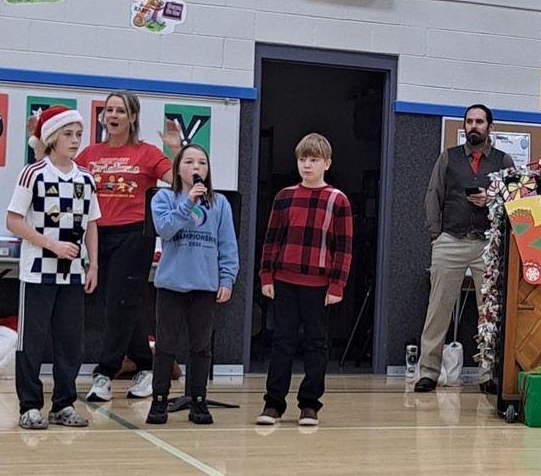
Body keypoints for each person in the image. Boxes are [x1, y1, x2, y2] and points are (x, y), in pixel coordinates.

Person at [77, 91, 182, 402]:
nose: (113, 115)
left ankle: (104, 373)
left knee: (117, 302)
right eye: (109, 110)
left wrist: (175, 149)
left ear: (133, 117)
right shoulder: (89, 155)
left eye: (120, 110)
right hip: (99, 235)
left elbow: (178, 180)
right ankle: (147, 368)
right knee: (122, 304)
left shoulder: (146, 153)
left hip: (135, 235)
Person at [6, 106, 100, 429]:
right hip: (36, 273)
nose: (75, 140)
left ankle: (64, 404)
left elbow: (91, 225)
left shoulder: (86, 178)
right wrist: (51, 245)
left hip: (73, 275)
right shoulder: (33, 173)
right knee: (31, 342)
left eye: (78, 134)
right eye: (68, 134)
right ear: (51, 137)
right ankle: (29, 406)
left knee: (70, 342)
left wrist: (93, 265)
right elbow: (13, 221)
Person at [414, 104, 515, 394]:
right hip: (451, 240)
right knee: (438, 309)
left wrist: (492, 202)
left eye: (479, 121)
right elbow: (433, 194)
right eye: (469, 121)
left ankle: (488, 374)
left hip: (487, 244)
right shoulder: (448, 158)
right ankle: (429, 372)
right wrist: (436, 234)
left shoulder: (503, 160)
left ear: (489, 127)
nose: (474, 126)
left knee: (489, 312)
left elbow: (514, 200)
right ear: (465, 127)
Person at [256, 133, 353, 427]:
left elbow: (344, 248)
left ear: (327, 163)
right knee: (282, 341)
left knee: (316, 343)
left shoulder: (338, 200)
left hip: (319, 285)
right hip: (284, 280)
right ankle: (273, 404)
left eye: (313, 160)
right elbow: (271, 239)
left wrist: (337, 284)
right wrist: (266, 275)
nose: (307, 165)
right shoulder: (284, 197)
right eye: (302, 159)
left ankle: (309, 404)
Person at [145, 144, 238, 425]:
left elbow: (227, 244)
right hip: (171, 284)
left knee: (201, 347)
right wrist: (188, 203)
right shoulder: (163, 198)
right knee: (165, 346)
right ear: (178, 168)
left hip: (205, 285)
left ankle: (199, 400)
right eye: (189, 162)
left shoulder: (219, 203)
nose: (196, 167)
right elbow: (165, 229)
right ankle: (159, 399)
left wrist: (227, 278)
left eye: (202, 163)